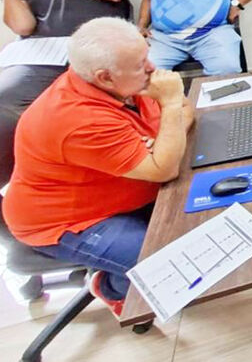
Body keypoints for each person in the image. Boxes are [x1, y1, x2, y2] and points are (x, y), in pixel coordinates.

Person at [1, 17, 193, 317]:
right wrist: (168, 109)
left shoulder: (124, 84)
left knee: (200, 220)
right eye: (140, 65)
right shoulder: (78, 120)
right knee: (172, 264)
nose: (152, 68)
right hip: (68, 221)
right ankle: (108, 287)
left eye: (147, 56)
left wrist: (165, 137)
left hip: (118, 193)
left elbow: (186, 113)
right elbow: (165, 166)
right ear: (105, 77)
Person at [0, 0, 130, 189]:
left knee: (83, 101)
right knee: (4, 98)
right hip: (43, 53)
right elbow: (23, 27)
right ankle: (18, 184)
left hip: (94, 46)